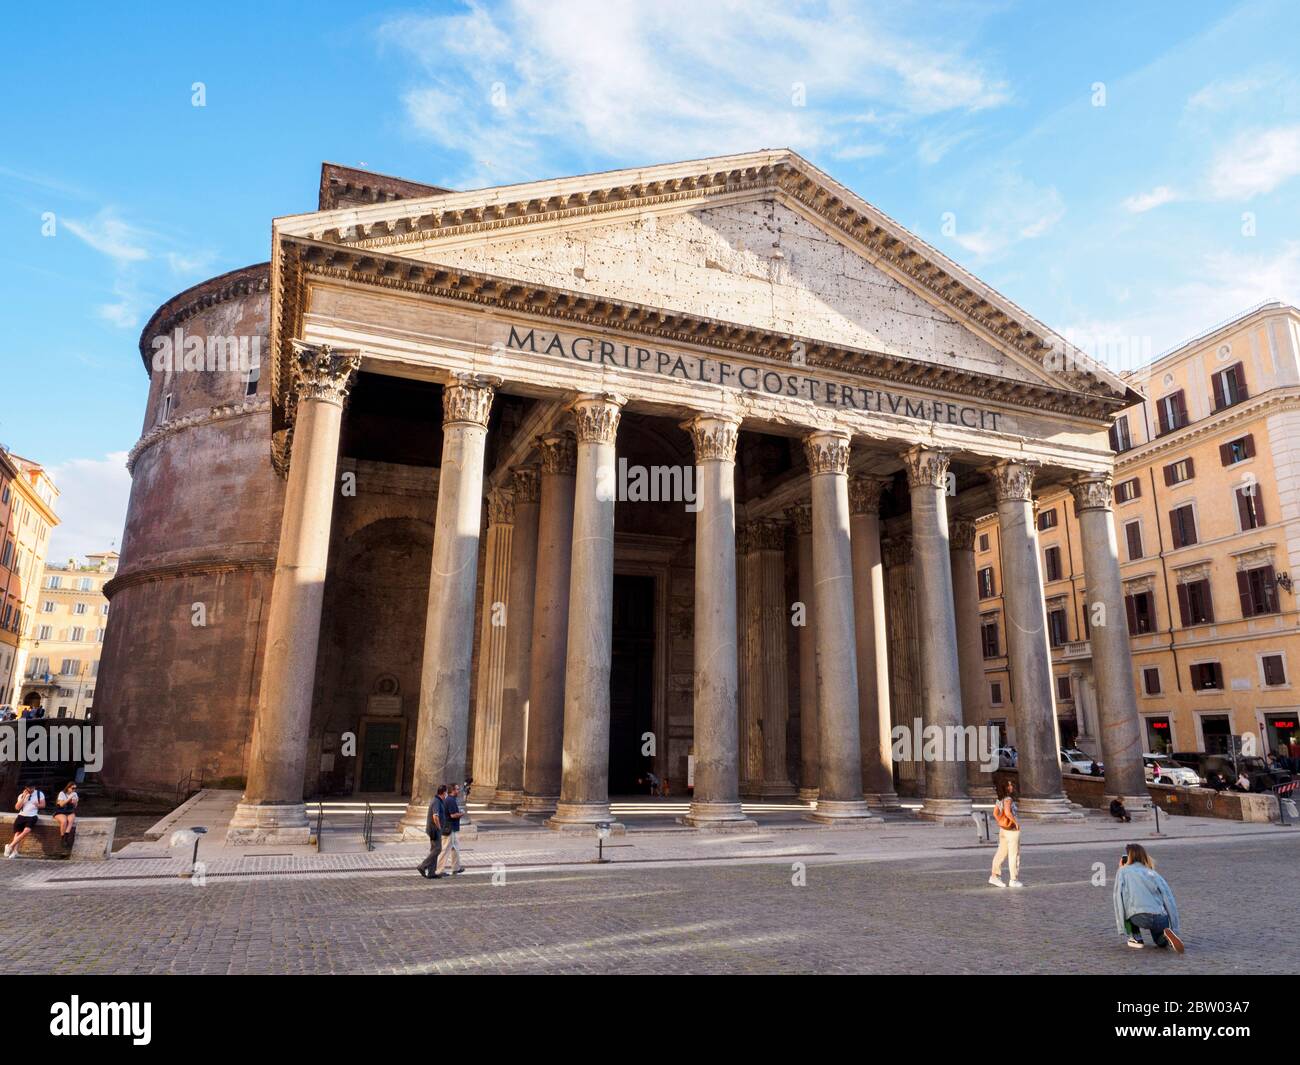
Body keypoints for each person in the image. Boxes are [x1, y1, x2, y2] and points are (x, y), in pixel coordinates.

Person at [1113, 843, 1184, 953]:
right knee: (1160, 942)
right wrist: (1174, 926)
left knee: (1127, 905)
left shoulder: (1123, 871)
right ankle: (1166, 936)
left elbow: (1118, 897)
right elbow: (1169, 898)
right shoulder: (1152, 873)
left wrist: (1121, 927)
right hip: (1160, 917)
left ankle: (1136, 938)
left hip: (1139, 916)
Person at [988, 778, 1022, 888]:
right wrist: (1015, 822)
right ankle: (1013, 879)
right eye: (1009, 786)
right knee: (1014, 855)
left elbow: (995, 813)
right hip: (1011, 830)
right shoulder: (1008, 799)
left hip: (1003, 830)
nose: (1011, 787)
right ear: (1004, 787)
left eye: (1012, 785)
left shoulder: (1000, 799)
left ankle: (994, 876)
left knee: (1000, 853)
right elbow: (1007, 812)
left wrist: (1001, 822)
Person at [5, 784, 46, 857]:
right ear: (26, 788)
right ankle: (15, 852)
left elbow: (43, 805)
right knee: (17, 833)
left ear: (34, 787)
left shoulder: (39, 794)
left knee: (26, 831)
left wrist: (37, 805)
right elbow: (17, 808)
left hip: (32, 816)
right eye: (29, 788)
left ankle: (10, 846)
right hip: (21, 816)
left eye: (32, 787)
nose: (31, 789)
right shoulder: (21, 795)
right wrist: (24, 797)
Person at [417, 785, 447, 880]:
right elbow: (435, 816)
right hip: (434, 829)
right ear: (443, 793)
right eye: (446, 792)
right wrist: (439, 827)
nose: (447, 794)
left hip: (434, 829)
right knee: (437, 849)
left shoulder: (438, 801)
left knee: (434, 849)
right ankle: (422, 866)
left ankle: (431, 872)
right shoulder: (436, 801)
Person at [435, 782, 466, 877]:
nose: (458, 790)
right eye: (457, 789)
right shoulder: (450, 800)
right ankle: (439, 870)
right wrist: (461, 814)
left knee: (455, 849)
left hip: (452, 828)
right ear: (452, 790)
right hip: (450, 829)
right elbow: (453, 815)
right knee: (445, 850)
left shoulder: (450, 799)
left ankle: (456, 868)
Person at [53, 782, 79, 849]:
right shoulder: (62, 793)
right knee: (64, 821)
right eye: (73, 788)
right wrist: (69, 798)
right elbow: (61, 804)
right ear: (68, 787)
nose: (74, 790)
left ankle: (66, 837)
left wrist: (75, 802)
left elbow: (75, 806)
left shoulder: (75, 794)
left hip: (69, 811)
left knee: (71, 820)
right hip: (61, 811)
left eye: (75, 788)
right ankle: (62, 838)